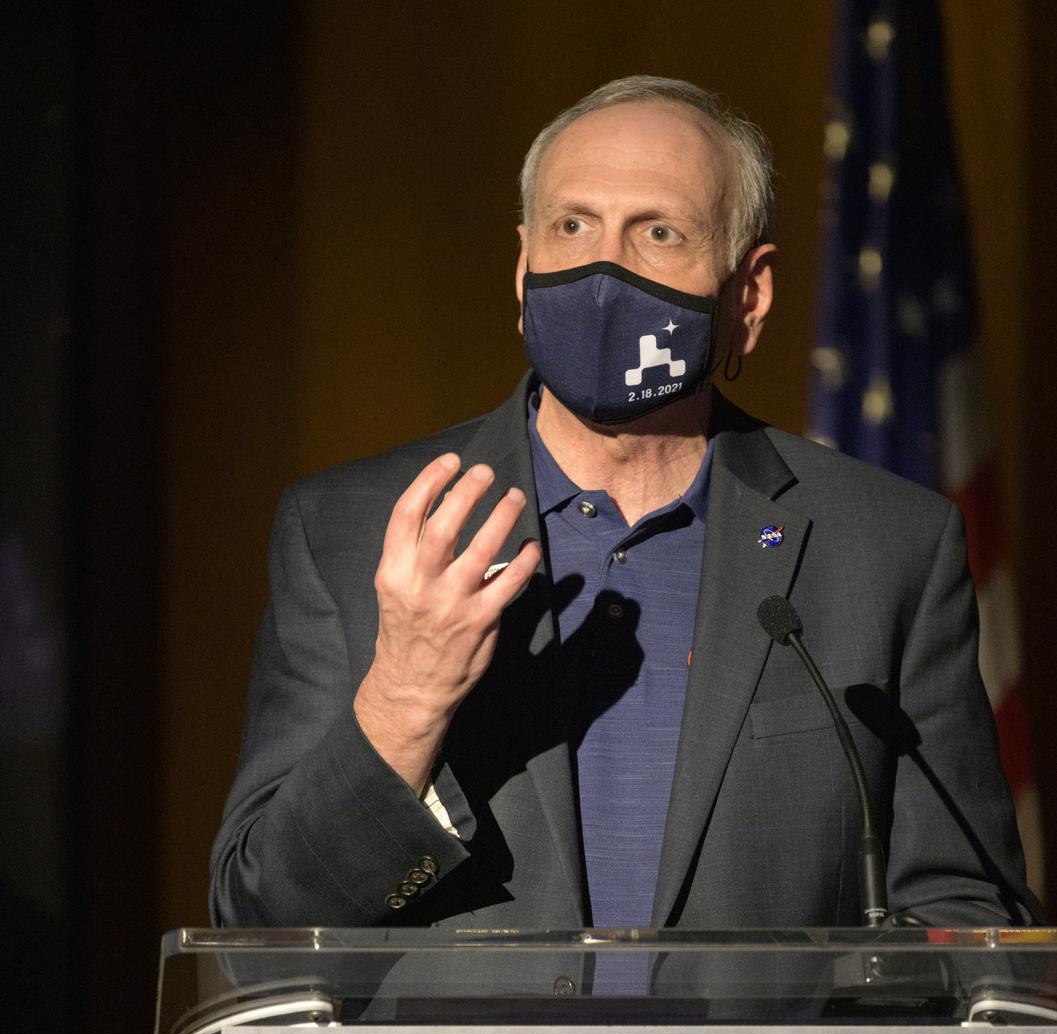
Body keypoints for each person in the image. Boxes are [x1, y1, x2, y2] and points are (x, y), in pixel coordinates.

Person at [209, 75, 1042, 934]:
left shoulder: (882, 545)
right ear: (523, 266)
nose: (604, 271)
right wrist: (405, 698)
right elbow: (262, 920)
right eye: (573, 226)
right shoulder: (353, 529)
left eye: (658, 232)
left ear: (746, 296)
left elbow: (965, 913)